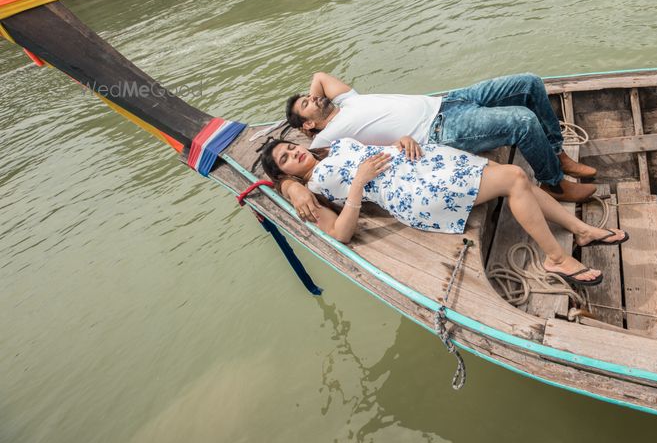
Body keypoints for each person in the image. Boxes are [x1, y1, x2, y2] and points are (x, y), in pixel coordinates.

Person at [260, 137, 628, 287]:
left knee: (516, 181)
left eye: (292, 147)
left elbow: (372, 149)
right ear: (284, 173)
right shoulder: (311, 189)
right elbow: (340, 233)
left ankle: (579, 229)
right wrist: (356, 184)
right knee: (515, 177)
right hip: (414, 193)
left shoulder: (332, 145)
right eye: (286, 160)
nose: (295, 154)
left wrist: (399, 140)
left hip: (426, 162)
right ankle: (557, 258)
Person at [281, 72, 598, 222]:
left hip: (449, 100)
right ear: (307, 127)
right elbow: (279, 168)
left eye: (309, 97)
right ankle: (553, 183)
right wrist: (292, 188)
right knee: (523, 121)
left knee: (529, 83)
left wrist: (307, 104)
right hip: (439, 129)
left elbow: (319, 77)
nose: (314, 98)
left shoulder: (345, 101)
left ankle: (556, 154)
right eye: (307, 105)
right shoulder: (326, 141)